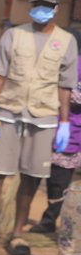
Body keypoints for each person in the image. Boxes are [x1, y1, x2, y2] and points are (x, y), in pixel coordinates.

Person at [0, 0, 78, 255]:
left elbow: (66, 86)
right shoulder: (13, 34)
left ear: (56, 9)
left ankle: (17, 233)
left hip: (44, 115)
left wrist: (65, 121)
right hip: (10, 111)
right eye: (37, 4)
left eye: (47, 5)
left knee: (32, 176)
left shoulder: (66, 40)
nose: (41, 9)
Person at [32, 57, 81, 233]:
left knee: (59, 182)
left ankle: (49, 221)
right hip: (51, 128)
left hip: (71, 134)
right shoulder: (71, 64)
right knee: (38, 177)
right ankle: (41, 220)